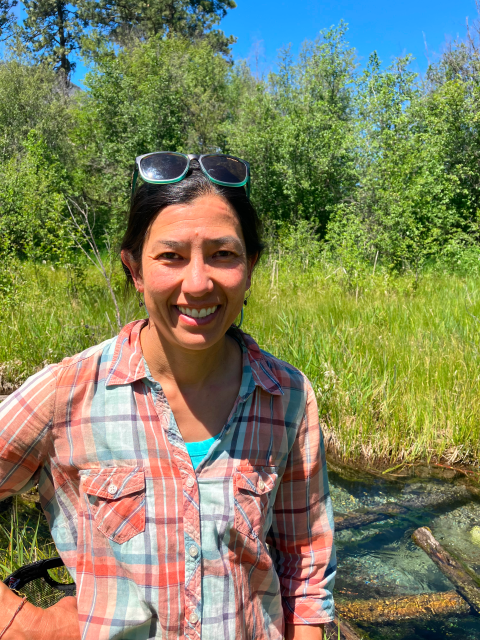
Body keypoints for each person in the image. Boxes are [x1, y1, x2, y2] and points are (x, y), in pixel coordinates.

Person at [0, 153, 336, 640]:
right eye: (171, 256)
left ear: (251, 265)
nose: (197, 282)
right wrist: (24, 623)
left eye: (223, 254)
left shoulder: (287, 398)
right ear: (134, 269)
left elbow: (305, 570)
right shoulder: (68, 393)